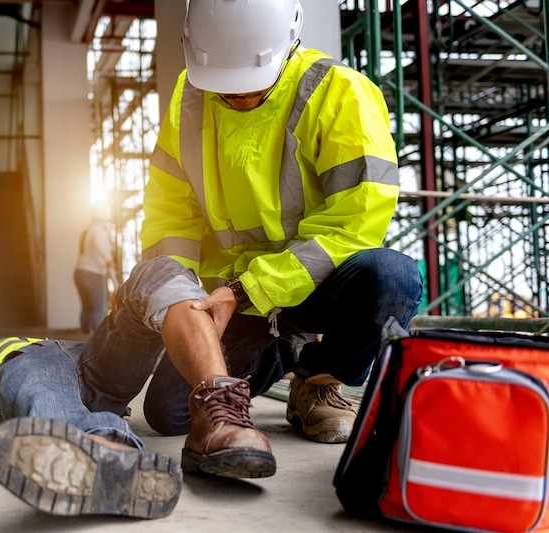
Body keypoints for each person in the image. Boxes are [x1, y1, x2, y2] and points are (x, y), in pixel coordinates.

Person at [70, 0, 424, 479]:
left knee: (392, 276)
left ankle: (320, 380)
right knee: (171, 414)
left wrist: (246, 291)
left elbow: (353, 224)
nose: (237, 97)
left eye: (252, 86)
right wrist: (183, 303)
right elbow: (171, 213)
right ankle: (284, 350)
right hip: (229, 301)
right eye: (225, 87)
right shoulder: (188, 98)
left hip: (309, 288)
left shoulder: (341, 94)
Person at [0, 317, 182, 520]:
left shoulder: (13, 341)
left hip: (78, 360)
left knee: (140, 300)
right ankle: (109, 453)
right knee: (43, 389)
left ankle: (105, 456)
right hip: (30, 370)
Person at [73, 203, 116, 334]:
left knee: (86, 308)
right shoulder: (98, 230)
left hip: (79, 272)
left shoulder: (89, 229)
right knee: (98, 309)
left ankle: (83, 338)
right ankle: (99, 341)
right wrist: (109, 260)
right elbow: (101, 245)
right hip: (93, 274)